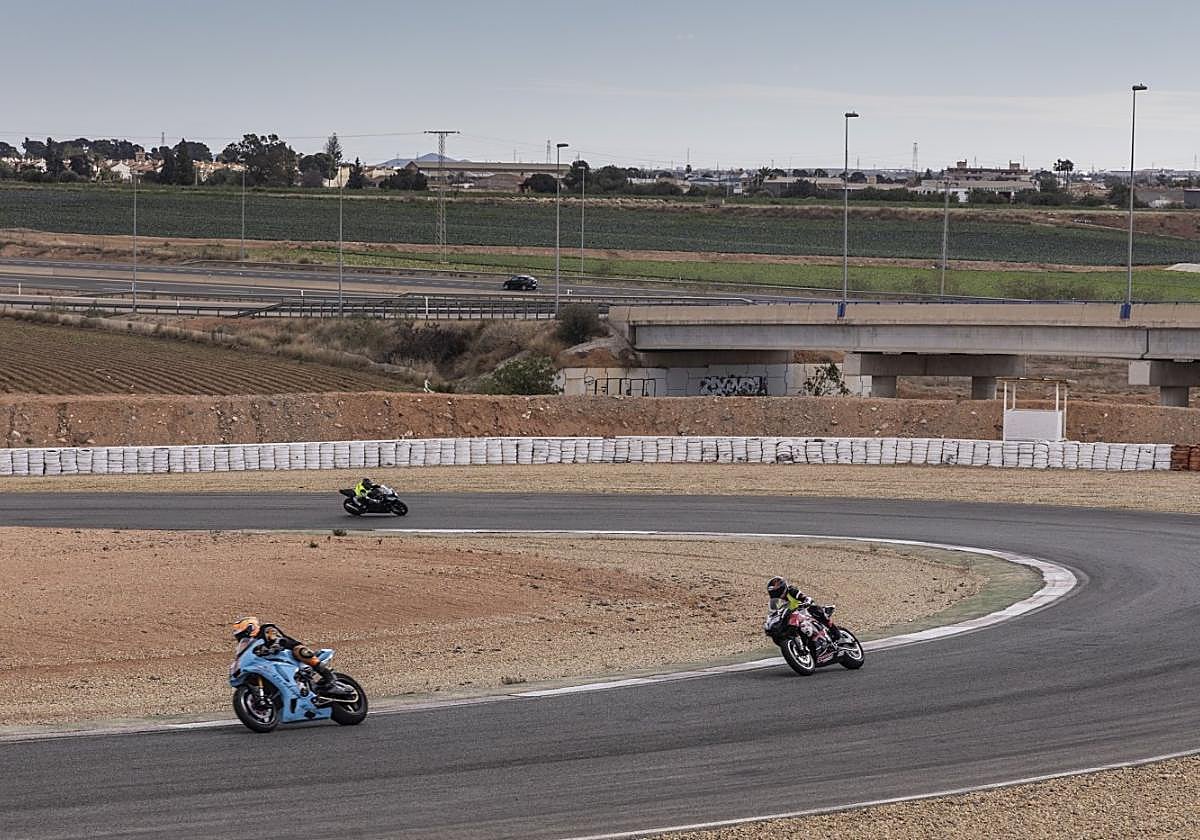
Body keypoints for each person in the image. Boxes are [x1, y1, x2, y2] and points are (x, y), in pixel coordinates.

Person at [231, 616, 352, 699]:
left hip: (288, 651)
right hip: (272, 662)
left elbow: (274, 636)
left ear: (251, 628)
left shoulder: (265, 629)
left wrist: (276, 643)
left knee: (301, 651)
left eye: (242, 634)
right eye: (239, 636)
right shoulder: (249, 644)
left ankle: (330, 680)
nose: (241, 638)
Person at [766, 576, 842, 650]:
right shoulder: (774, 602)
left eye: (777, 591)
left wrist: (806, 601)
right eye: (773, 592)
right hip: (790, 617)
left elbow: (804, 597)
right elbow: (773, 612)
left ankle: (833, 630)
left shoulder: (791, 591)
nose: (775, 594)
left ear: (783, 588)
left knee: (815, 609)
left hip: (803, 611)